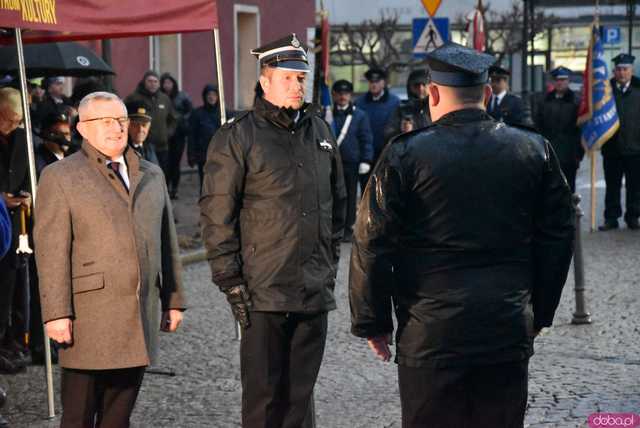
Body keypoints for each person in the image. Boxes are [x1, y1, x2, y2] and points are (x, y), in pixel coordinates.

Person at [349, 43, 575, 428]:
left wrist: (373, 321)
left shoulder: (405, 154)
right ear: (486, 94)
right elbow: (558, 236)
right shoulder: (534, 149)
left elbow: (371, 240)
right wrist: (539, 312)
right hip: (505, 326)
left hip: (430, 333)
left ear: (432, 94)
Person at [200, 33, 346, 428]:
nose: (298, 86)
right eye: (287, 78)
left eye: (302, 78)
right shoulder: (237, 136)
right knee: (264, 401)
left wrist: (328, 263)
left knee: (300, 400)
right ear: (265, 81)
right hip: (262, 291)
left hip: (312, 289)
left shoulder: (320, 132)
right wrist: (230, 279)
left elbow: (337, 207)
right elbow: (217, 214)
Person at [34, 91, 186, 427]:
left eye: (121, 119)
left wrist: (173, 300)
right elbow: (51, 251)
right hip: (89, 319)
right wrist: (57, 313)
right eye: (105, 121)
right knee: (78, 417)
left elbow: (167, 242)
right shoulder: (60, 177)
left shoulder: (152, 174)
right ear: (83, 129)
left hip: (138, 315)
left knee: (118, 417)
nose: (117, 128)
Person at [0, 87, 31, 374]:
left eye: (16, 120)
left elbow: (34, 176)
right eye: (7, 120)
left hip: (18, 222)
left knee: (14, 284)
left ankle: (12, 340)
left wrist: (29, 196)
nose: (12, 126)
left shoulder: (24, 138)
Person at [327, 79, 373, 241]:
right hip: (330, 163)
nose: (342, 97)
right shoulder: (327, 114)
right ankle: (333, 228)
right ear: (333, 95)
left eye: (346, 93)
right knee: (332, 196)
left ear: (351, 95)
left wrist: (366, 160)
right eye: (339, 93)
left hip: (351, 163)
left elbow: (366, 139)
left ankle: (347, 229)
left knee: (349, 196)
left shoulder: (360, 116)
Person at [599, 53, 640, 231]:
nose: (622, 73)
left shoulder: (638, 91)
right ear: (614, 71)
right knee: (612, 186)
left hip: (635, 148)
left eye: (625, 69)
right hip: (612, 148)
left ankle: (633, 216)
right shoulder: (605, 92)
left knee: (635, 186)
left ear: (631, 71)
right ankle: (611, 217)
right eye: (619, 69)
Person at [534, 66, 583, 192]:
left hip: (569, 154)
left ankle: (568, 211)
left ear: (568, 81)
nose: (560, 83)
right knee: (549, 188)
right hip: (549, 152)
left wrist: (578, 154)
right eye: (557, 80)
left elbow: (580, 130)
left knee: (568, 188)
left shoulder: (576, 102)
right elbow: (539, 127)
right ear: (553, 82)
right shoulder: (544, 101)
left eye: (563, 80)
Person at [355, 67, 400, 189]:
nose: (374, 84)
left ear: (383, 83)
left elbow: (396, 127)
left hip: (385, 151)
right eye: (371, 82)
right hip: (365, 153)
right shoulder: (360, 102)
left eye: (377, 81)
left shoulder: (394, 102)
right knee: (366, 187)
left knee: (385, 188)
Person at [125, 71, 176, 179]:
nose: (152, 84)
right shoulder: (133, 97)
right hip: (142, 145)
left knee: (163, 173)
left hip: (162, 145)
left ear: (159, 84)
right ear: (144, 82)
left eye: (155, 81)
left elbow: (172, 119)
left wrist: (167, 133)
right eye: (150, 81)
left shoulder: (164, 99)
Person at [160, 73, 192, 199]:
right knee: (165, 162)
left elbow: (190, 112)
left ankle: (175, 189)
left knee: (175, 162)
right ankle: (166, 188)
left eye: (169, 83)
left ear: (173, 84)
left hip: (179, 135)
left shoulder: (182, 96)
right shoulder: (160, 97)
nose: (167, 85)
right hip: (165, 134)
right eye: (165, 83)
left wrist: (180, 119)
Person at [188, 84, 223, 192]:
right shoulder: (197, 113)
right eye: (209, 95)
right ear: (205, 96)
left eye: (214, 94)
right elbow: (192, 135)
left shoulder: (223, 113)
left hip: (220, 153)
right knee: (205, 181)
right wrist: (191, 154)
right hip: (203, 154)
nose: (211, 97)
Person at [384, 69, 432, 141]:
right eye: (416, 85)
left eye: (424, 84)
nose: (421, 88)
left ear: (430, 86)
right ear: (410, 87)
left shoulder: (436, 108)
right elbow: (388, 135)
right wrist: (402, 132)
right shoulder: (402, 109)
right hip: (411, 150)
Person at [35, 110, 72, 177]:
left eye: (66, 134)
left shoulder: (72, 158)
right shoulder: (38, 161)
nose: (63, 139)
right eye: (57, 134)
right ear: (46, 135)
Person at [126, 99, 159, 165]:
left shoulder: (150, 146)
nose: (140, 129)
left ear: (149, 126)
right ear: (127, 125)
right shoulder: (121, 151)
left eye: (144, 125)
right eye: (135, 125)